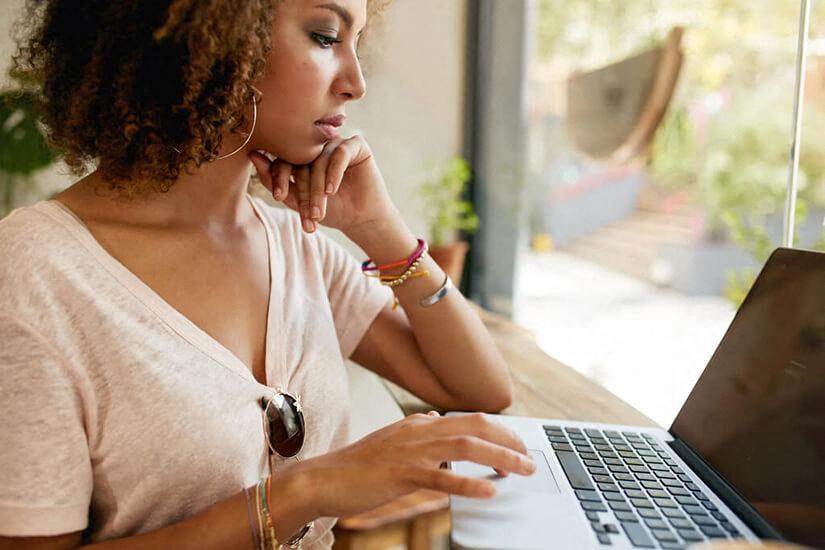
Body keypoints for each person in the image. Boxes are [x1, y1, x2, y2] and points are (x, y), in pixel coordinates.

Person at [0, 1, 537, 548]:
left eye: (358, 43)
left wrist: (383, 231)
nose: (357, 82)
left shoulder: (295, 246)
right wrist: (308, 490)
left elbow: (479, 388)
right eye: (326, 36)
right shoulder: (36, 271)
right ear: (214, 39)